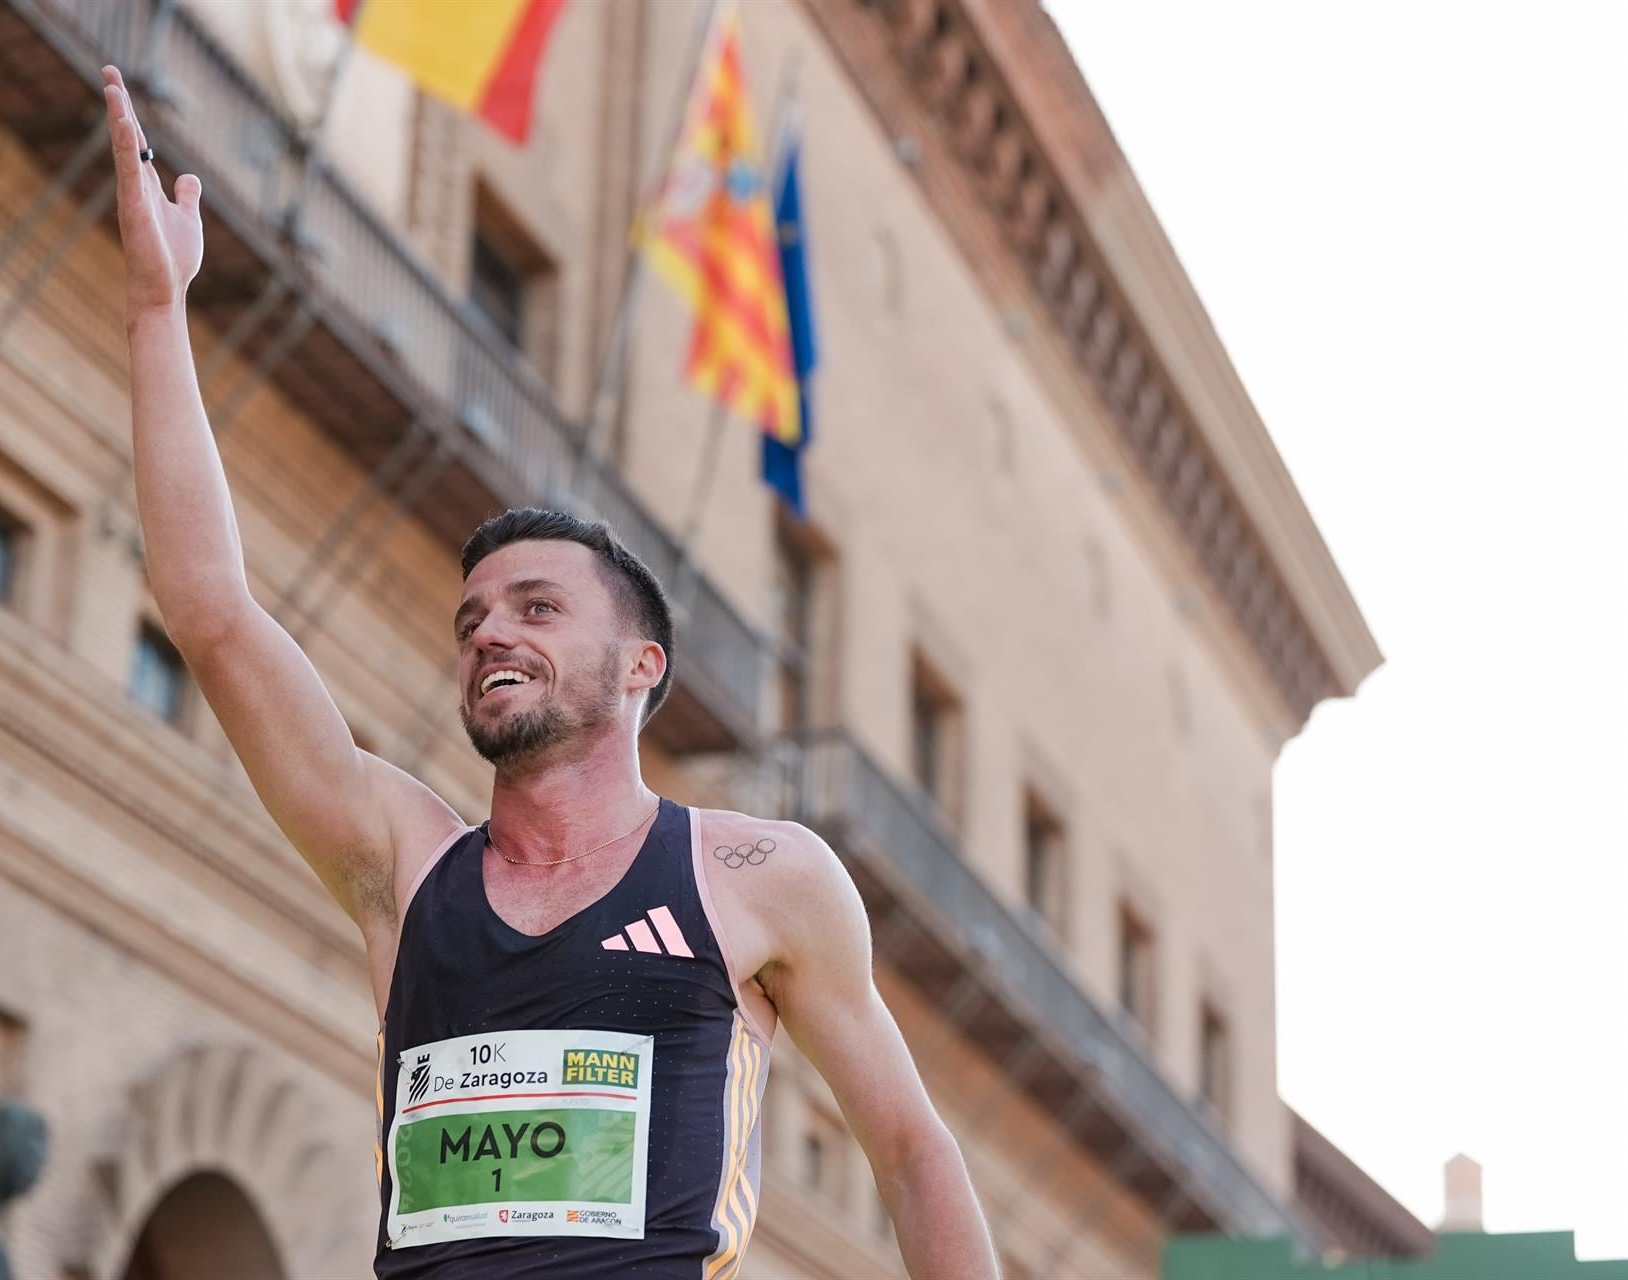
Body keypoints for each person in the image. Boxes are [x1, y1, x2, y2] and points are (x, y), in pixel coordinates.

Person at [101, 65, 999, 1280]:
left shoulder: (757, 877)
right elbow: (211, 613)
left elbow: (911, 1153)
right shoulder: (404, 864)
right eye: (472, 617)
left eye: (536, 606)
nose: (488, 632)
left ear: (642, 665)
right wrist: (161, 311)